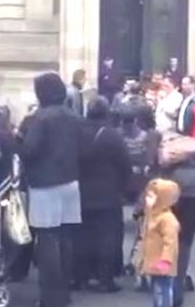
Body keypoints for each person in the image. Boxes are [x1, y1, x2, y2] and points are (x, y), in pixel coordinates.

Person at [20, 73, 82, 307]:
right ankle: (64, 292)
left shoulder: (41, 118)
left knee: (47, 241)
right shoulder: (73, 116)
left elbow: (30, 151)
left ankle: (50, 297)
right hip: (70, 181)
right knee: (66, 239)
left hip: (45, 184)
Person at [73, 97, 131, 293]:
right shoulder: (112, 135)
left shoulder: (77, 133)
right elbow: (124, 165)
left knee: (81, 236)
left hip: (80, 191)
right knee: (108, 237)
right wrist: (123, 189)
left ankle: (80, 277)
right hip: (108, 193)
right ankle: (105, 279)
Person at [140, 178, 180, 307]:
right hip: (153, 262)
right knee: (157, 291)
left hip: (162, 264)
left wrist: (166, 260)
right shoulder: (152, 215)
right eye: (147, 196)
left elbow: (171, 242)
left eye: (151, 197)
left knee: (163, 290)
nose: (147, 200)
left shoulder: (166, 219)